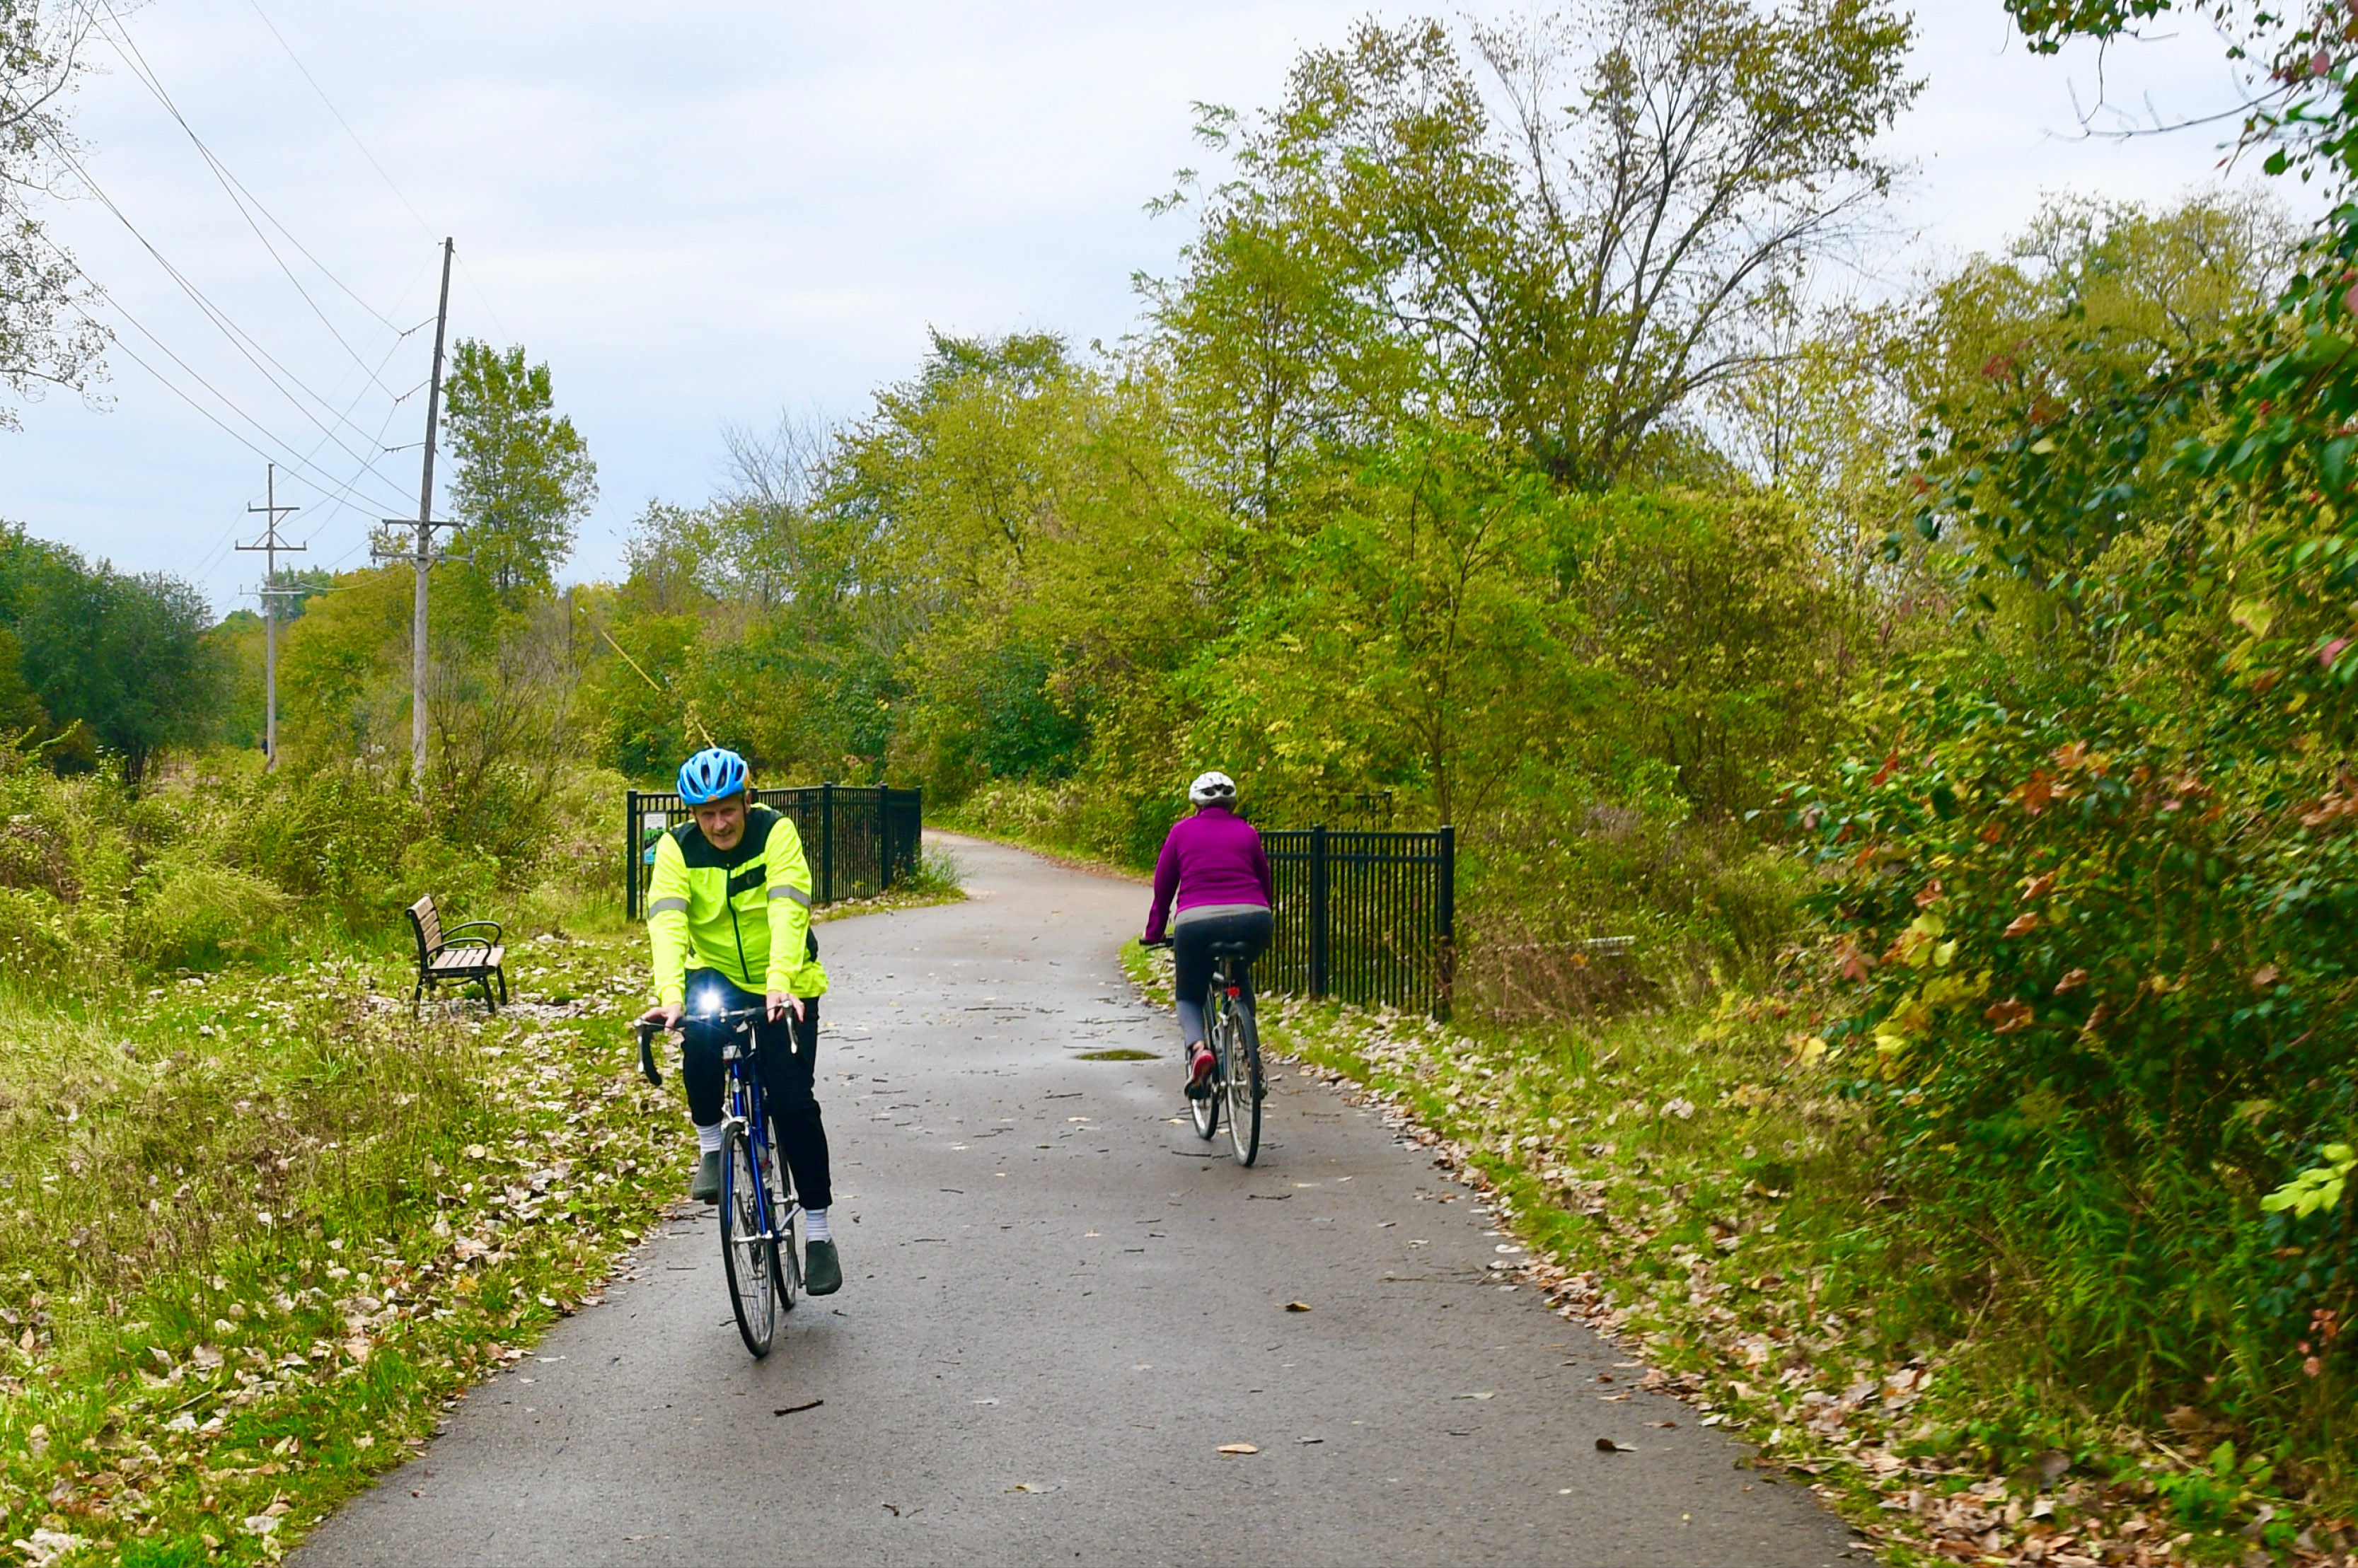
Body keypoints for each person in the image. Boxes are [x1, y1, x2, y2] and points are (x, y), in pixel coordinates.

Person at [636, 746, 842, 1296]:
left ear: (745, 801)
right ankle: (710, 1145)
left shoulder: (775, 833)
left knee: (792, 1102)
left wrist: (780, 980)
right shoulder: (676, 849)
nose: (719, 823)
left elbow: (786, 907)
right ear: (691, 814)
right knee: (697, 1033)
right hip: (718, 973)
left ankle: (818, 1233)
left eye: (728, 810)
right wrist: (670, 995)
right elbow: (668, 922)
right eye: (706, 814)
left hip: (786, 974)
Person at [1143, 770, 1274, 1099]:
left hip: (1197, 922)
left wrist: (1155, 931)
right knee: (1240, 979)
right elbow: (1264, 880)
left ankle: (1200, 1049)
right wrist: (1260, 916)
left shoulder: (1180, 832)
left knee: (1189, 993)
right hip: (1253, 918)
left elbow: (1164, 887)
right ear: (1231, 803)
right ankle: (1251, 1059)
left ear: (1196, 803)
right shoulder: (1248, 833)